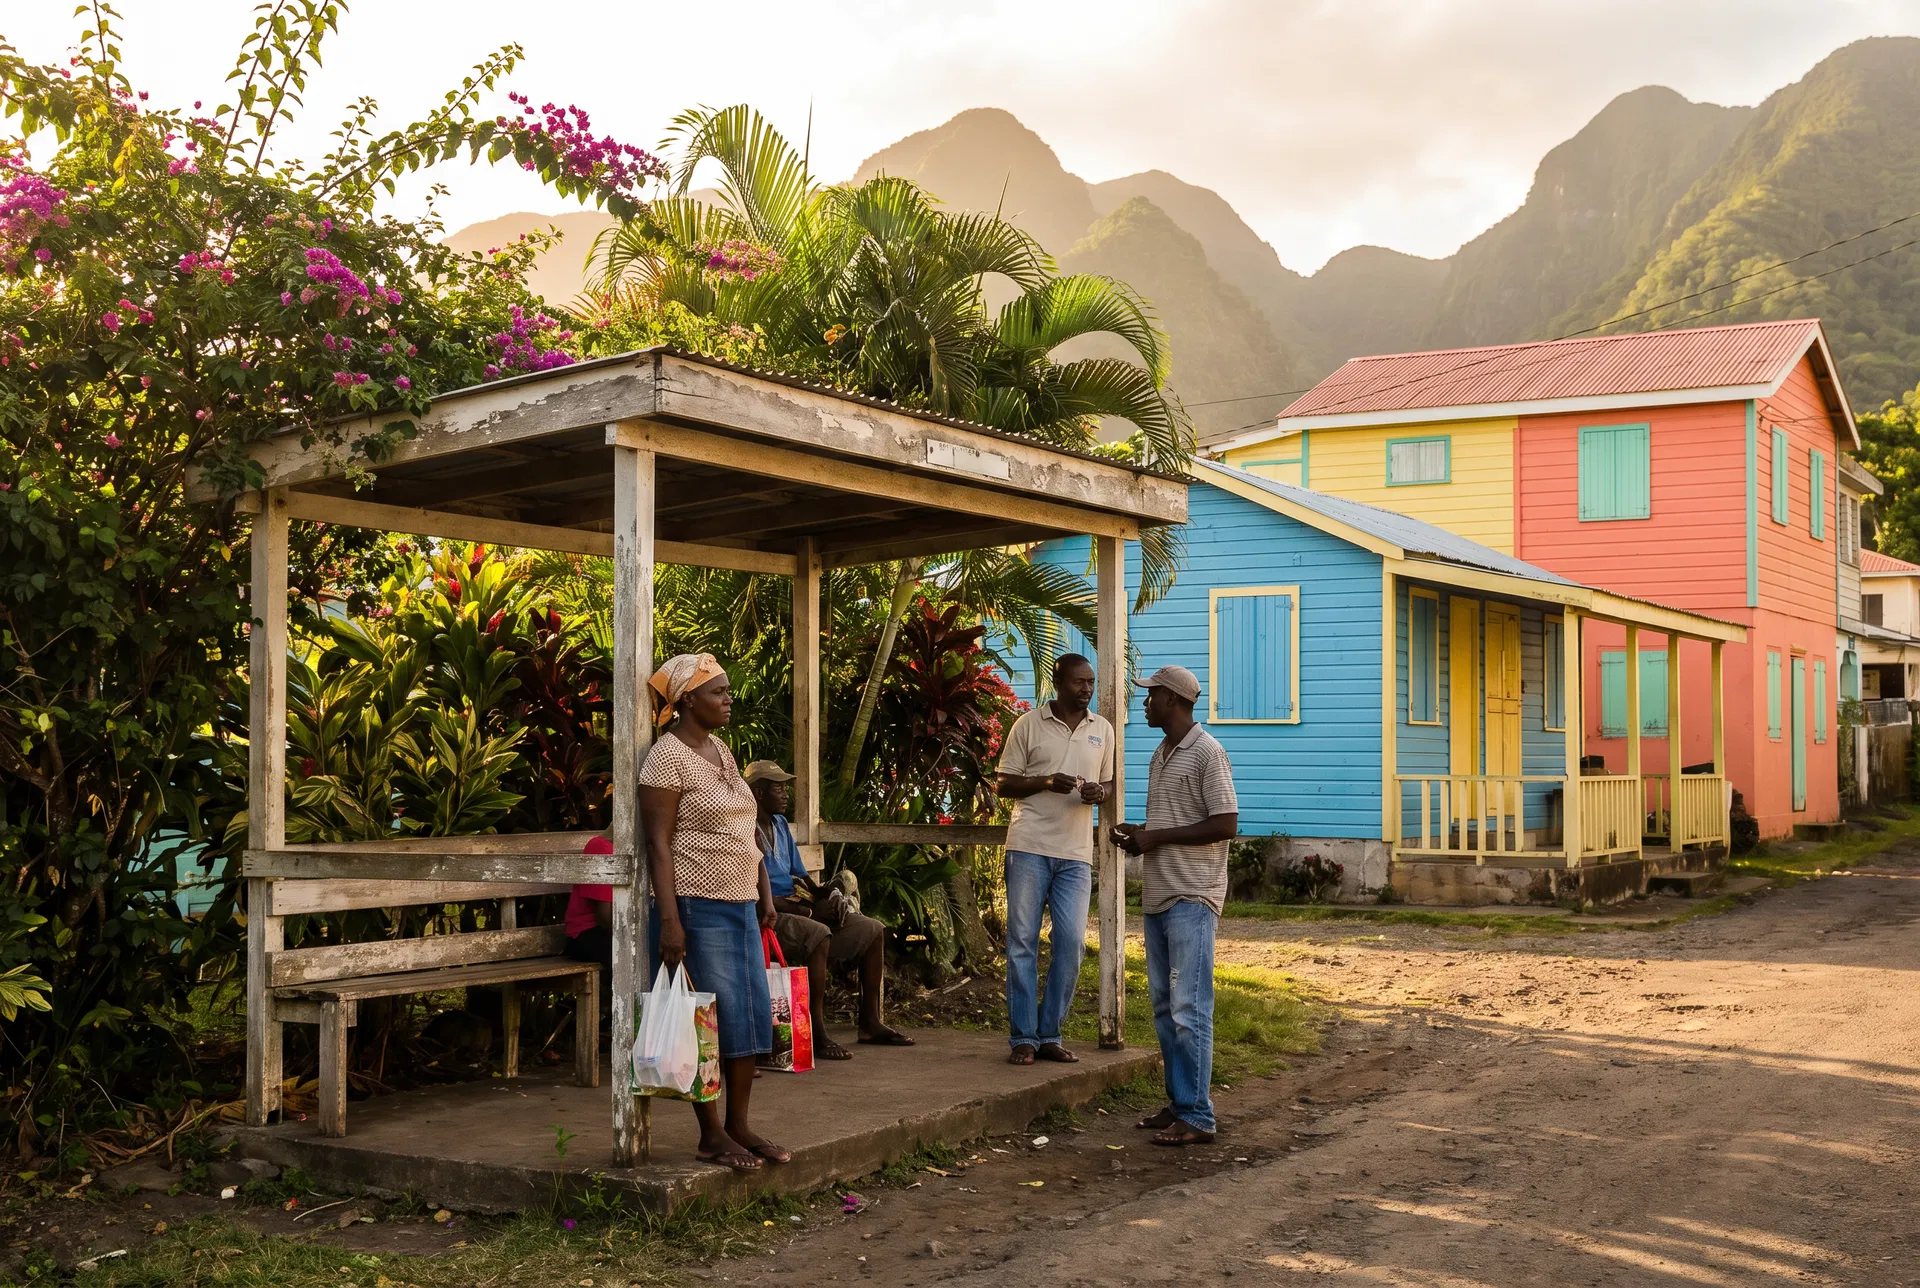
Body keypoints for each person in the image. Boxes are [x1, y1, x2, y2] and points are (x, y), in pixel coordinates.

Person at [638, 652, 789, 1173]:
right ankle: (711, 1133)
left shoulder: (721, 750)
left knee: (745, 1016)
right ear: (686, 700)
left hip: (742, 904)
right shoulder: (666, 758)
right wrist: (671, 920)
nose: (727, 700)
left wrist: (764, 896)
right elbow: (658, 845)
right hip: (696, 907)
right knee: (704, 1020)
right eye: (717, 692)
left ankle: (740, 1124)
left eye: (726, 691)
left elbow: (747, 830)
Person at [1111, 664, 1238, 1147]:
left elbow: (1226, 822)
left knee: (1190, 1007)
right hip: (1160, 893)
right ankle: (1181, 1102)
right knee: (1166, 1008)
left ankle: (1199, 1116)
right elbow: (1170, 823)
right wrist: (1139, 834)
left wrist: (1156, 837)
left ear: (1175, 701)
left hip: (1193, 895)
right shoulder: (1162, 753)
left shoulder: (1207, 753)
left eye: (1151, 696)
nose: (1144, 703)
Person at [744, 760, 914, 1059]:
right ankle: (817, 1033)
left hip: (797, 906)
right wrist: (808, 913)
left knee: (872, 929)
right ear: (758, 792)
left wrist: (825, 897)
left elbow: (800, 875)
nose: (786, 794)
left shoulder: (781, 825)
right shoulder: (745, 825)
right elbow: (755, 891)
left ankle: (870, 1023)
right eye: (778, 788)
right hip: (769, 914)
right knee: (819, 934)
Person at [993, 653, 1115, 1066]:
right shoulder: (1028, 725)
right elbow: (1003, 784)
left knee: (1072, 943)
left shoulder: (1104, 730)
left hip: (1076, 854)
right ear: (1057, 682)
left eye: (1091, 682)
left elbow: (1110, 782)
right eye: (1079, 682)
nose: (1087, 689)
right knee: (1022, 943)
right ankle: (1024, 1038)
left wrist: (1101, 793)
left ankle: (1050, 1032)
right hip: (1029, 846)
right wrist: (1045, 781)